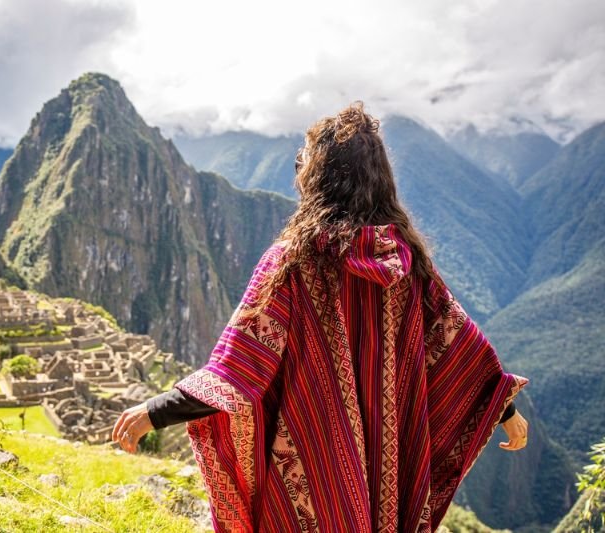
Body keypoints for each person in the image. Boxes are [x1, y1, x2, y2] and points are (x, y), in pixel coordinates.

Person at [112, 102, 529, 532]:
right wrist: (507, 411)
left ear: (319, 179)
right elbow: (464, 352)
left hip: (311, 474)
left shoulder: (292, 263)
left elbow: (237, 370)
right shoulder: (410, 266)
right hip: (391, 476)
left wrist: (156, 411)